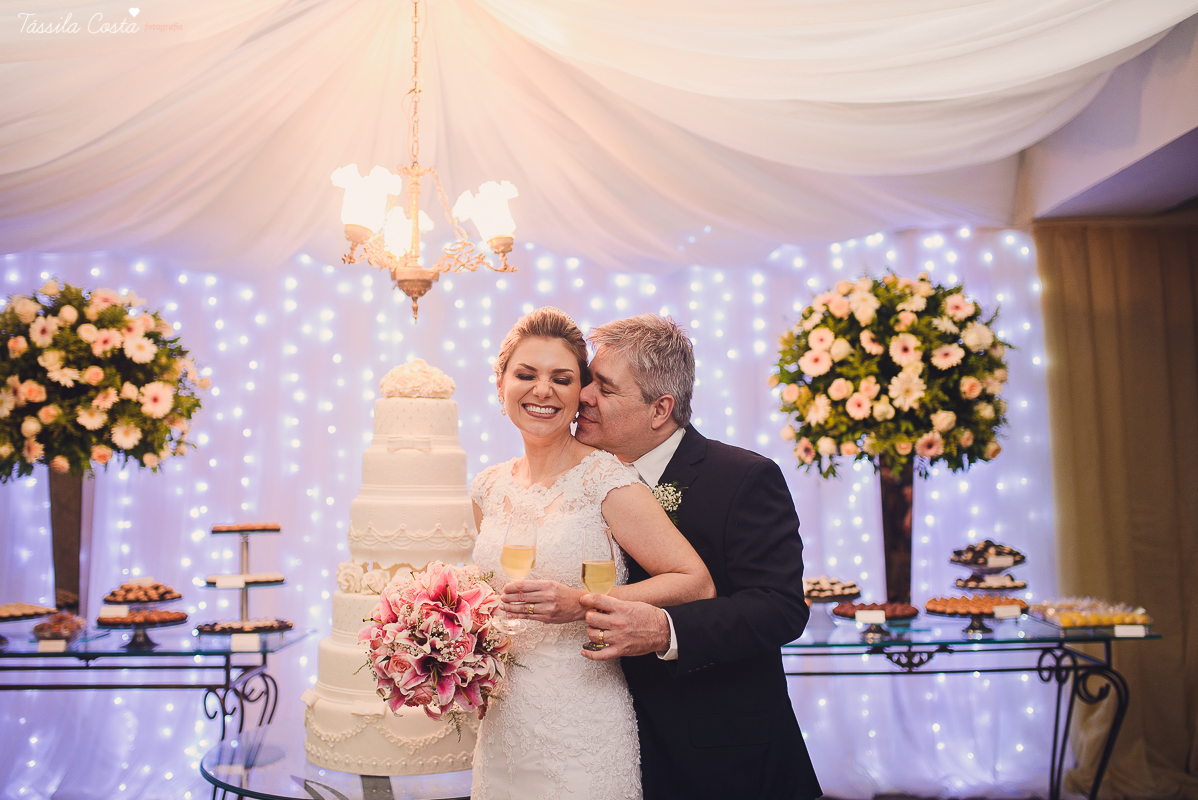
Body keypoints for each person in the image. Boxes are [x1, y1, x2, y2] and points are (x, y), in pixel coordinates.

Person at [469, 307, 715, 800]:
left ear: (577, 392)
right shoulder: (487, 487)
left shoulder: (607, 478)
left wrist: (581, 603)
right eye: (526, 375)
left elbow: (696, 581)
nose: (543, 391)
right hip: (502, 726)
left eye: (561, 378)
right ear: (501, 385)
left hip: (583, 724)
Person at [576, 314, 823, 800]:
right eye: (588, 381)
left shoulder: (744, 478)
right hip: (608, 751)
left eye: (603, 387)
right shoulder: (581, 481)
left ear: (660, 408)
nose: (584, 395)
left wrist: (666, 630)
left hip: (723, 758)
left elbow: (780, 608)